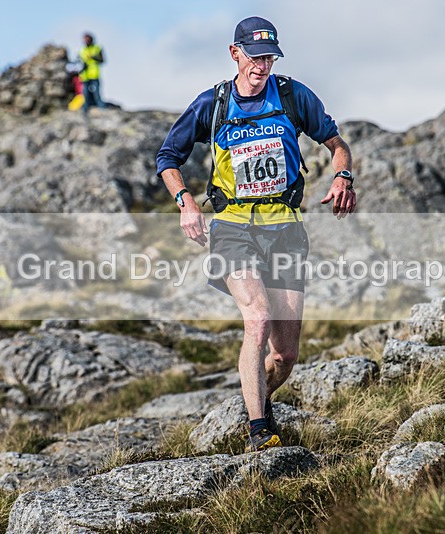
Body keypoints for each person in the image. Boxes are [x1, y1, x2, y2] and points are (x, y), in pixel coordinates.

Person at [156, 16, 356, 452]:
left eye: (269, 57)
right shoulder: (213, 103)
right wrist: (185, 203)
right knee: (257, 317)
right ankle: (259, 430)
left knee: (284, 356)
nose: (261, 65)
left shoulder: (291, 95)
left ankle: (254, 399)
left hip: (284, 228)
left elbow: (337, 144)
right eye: (254, 56)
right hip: (232, 228)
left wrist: (343, 177)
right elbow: (167, 157)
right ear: (235, 54)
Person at [79, 33, 106, 113]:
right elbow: (80, 62)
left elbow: (102, 60)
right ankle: (85, 111)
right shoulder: (82, 50)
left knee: (97, 94)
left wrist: (93, 57)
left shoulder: (97, 48)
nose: (85, 41)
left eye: (87, 39)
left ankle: (102, 109)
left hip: (94, 75)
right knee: (85, 94)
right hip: (85, 76)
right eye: (84, 39)